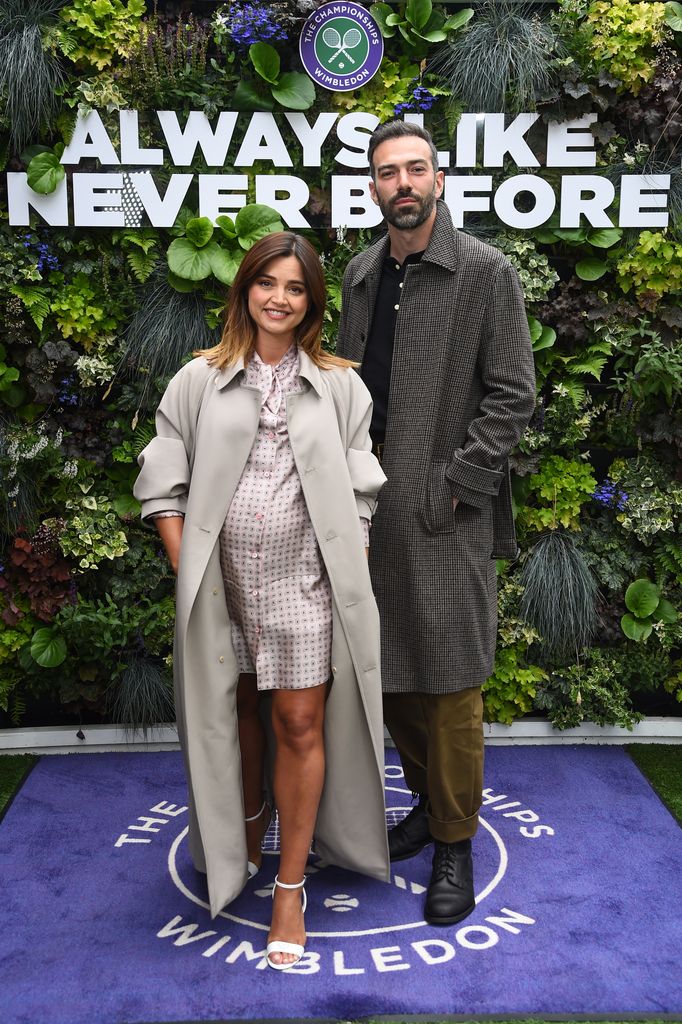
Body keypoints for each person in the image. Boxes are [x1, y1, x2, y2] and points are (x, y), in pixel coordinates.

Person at [134, 232, 390, 970]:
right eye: (267, 282)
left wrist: (353, 561)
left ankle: (287, 886)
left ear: (312, 302)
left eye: (296, 287)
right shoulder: (198, 379)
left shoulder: (341, 384)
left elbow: (361, 486)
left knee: (300, 719)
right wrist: (190, 573)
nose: (279, 298)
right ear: (245, 288)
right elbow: (163, 480)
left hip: (307, 583)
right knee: (235, 709)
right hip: (221, 585)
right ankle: (246, 830)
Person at [337, 121, 536, 926]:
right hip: (363, 506)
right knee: (385, 674)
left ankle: (453, 841)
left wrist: (458, 485)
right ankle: (426, 804)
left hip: (445, 510)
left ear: (439, 178)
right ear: (374, 187)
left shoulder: (485, 272)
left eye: (415, 168)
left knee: (450, 679)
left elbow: (512, 394)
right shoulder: (357, 273)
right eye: (388, 172)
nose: (402, 183)